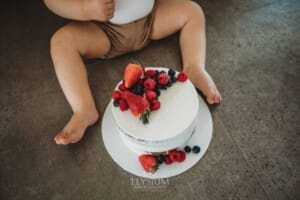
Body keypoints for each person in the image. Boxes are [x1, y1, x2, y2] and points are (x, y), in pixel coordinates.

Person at [44, 0, 222, 145]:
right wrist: (85, 9)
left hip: (150, 20)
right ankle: (83, 109)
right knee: (62, 42)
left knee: (192, 11)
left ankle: (194, 66)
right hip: (103, 30)